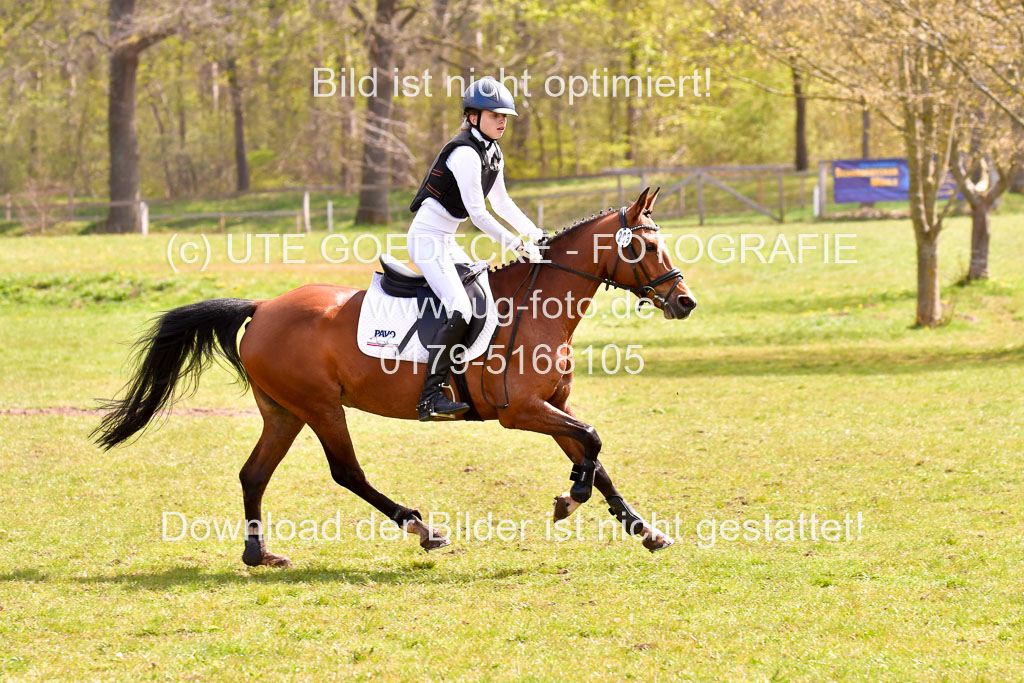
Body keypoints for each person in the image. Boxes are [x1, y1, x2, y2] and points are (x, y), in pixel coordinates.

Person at [406, 76, 544, 421]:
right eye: (494, 115)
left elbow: (502, 201)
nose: (502, 121)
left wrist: (534, 233)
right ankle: (429, 397)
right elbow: (478, 212)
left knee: (484, 300)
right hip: (426, 239)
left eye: (505, 117)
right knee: (461, 309)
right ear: (472, 117)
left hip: (447, 239)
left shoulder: (492, 152)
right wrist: (515, 243)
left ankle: (465, 376)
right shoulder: (466, 153)